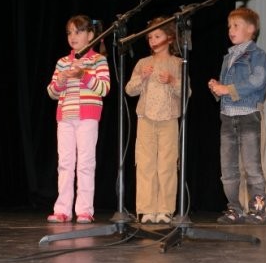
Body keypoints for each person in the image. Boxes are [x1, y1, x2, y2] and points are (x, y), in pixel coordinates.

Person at [208, 7, 266, 225]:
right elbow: (226, 88)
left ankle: (258, 209)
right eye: (229, 27)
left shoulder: (257, 54)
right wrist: (217, 87)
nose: (230, 30)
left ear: (251, 29)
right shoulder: (229, 57)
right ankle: (234, 208)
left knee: (252, 167)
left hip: (248, 115)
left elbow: (257, 81)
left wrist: (228, 89)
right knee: (228, 169)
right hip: (227, 117)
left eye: (236, 26)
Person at [125, 17, 190, 225]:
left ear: (170, 38)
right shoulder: (143, 63)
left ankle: (165, 209)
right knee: (145, 164)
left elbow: (186, 92)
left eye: (157, 36)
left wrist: (172, 81)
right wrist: (141, 78)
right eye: (150, 37)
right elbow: (129, 89)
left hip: (169, 119)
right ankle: (146, 209)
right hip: (145, 119)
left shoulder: (178, 63)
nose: (153, 40)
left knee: (167, 164)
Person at [46, 15, 111, 224]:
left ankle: (84, 209)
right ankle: (62, 209)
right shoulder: (63, 62)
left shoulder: (98, 60)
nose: (72, 36)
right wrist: (62, 81)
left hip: (87, 117)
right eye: (69, 33)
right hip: (65, 117)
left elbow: (104, 88)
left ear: (90, 35)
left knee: (85, 163)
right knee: (65, 163)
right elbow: (51, 92)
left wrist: (83, 75)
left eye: (78, 32)